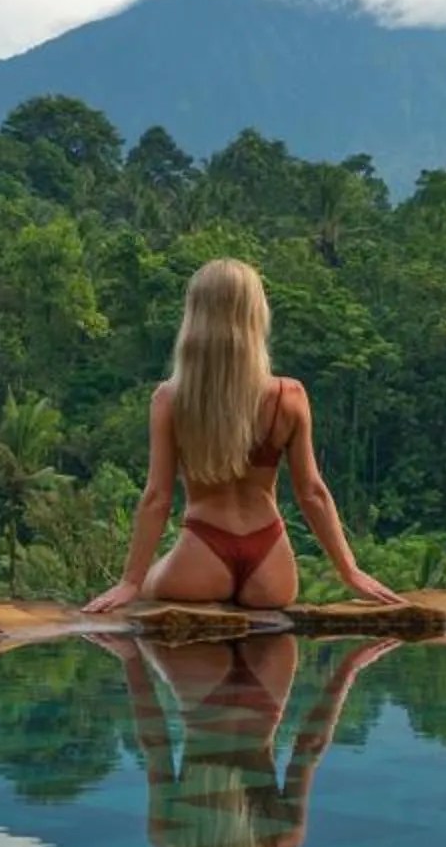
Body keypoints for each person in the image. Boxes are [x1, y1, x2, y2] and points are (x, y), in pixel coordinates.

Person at [86, 256, 398, 613]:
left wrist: (130, 582)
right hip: (270, 559)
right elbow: (311, 492)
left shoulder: (170, 400)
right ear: (254, 316)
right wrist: (351, 571)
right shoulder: (289, 396)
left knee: (149, 599)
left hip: (201, 553)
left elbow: (157, 496)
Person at [102, 628, 396, 847]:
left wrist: (349, 669)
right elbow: (155, 744)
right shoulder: (169, 838)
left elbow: (309, 747)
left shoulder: (279, 841)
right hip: (198, 689)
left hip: (264, 690)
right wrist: (131, 657)